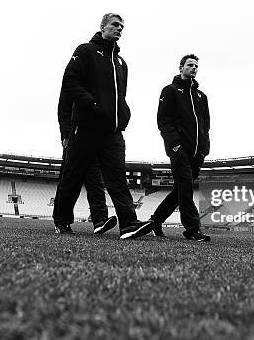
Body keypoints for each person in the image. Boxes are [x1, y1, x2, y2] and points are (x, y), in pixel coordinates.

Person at [52, 13, 153, 239]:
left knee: (117, 177)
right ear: (103, 27)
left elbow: (120, 96)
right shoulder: (85, 50)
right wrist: (91, 104)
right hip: (86, 127)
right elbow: (69, 82)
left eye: (122, 26)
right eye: (115, 25)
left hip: (112, 131)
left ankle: (129, 224)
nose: (119, 29)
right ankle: (62, 220)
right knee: (73, 176)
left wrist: (124, 114)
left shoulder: (121, 63)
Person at [150, 54, 211, 242]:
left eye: (196, 66)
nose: (194, 68)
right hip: (179, 150)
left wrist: (204, 148)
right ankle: (192, 229)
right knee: (185, 188)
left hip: (197, 152)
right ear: (181, 68)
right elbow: (163, 121)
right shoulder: (170, 91)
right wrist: (174, 144)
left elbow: (206, 124)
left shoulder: (202, 96)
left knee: (179, 191)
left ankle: (155, 221)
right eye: (190, 65)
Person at [57, 74, 115, 234]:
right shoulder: (73, 81)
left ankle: (100, 220)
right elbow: (63, 108)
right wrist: (65, 135)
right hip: (75, 135)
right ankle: (61, 220)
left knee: (95, 179)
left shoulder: (99, 83)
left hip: (95, 136)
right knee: (70, 179)